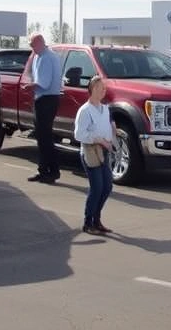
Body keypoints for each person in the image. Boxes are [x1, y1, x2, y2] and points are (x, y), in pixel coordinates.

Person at [74, 76, 115, 235]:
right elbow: (79, 134)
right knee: (97, 187)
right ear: (91, 90)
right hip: (91, 151)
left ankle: (96, 219)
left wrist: (110, 137)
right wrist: (96, 139)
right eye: (99, 88)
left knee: (107, 186)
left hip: (104, 151)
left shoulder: (105, 109)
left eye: (104, 88)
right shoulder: (85, 110)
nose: (102, 91)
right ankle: (88, 222)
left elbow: (108, 126)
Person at [28, 33, 63, 183]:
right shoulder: (38, 56)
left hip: (47, 99)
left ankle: (52, 171)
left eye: (32, 44)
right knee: (42, 137)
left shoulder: (48, 57)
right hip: (41, 99)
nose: (31, 48)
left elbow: (44, 83)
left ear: (40, 43)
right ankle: (43, 170)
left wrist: (30, 86)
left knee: (45, 138)